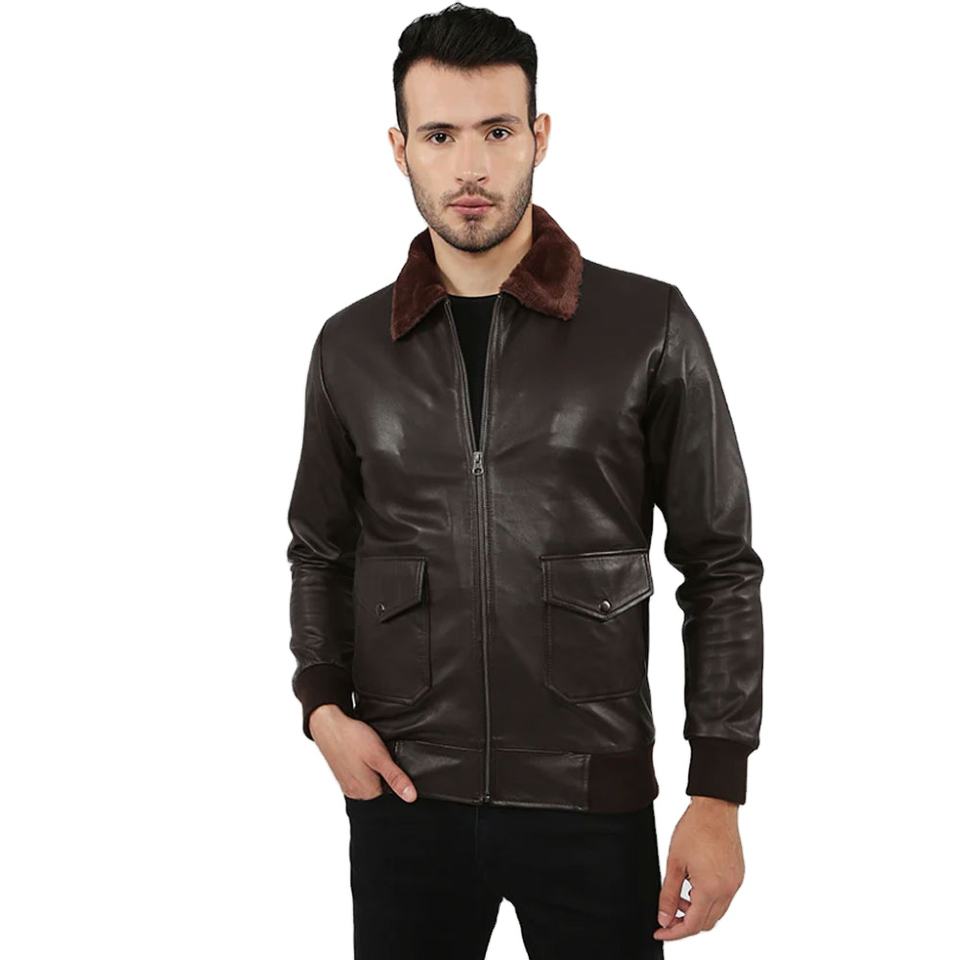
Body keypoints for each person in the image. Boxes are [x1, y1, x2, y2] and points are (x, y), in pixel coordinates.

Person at [285, 5, 764, 958]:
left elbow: (720, 566)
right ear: (399, 148)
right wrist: (322, 707)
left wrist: (718, 791)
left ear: (539, 136)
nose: (471, 166)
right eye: (440, 135)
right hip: (404, 795)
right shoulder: (349, 347)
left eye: (498, 131)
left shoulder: (647, 326)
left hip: (592, 800)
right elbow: (320, 551)